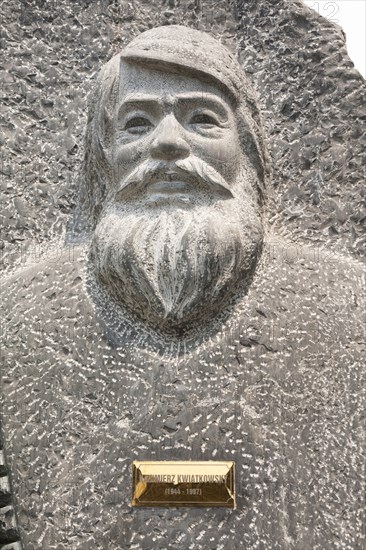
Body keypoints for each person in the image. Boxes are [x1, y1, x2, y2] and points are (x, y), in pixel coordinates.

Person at [1, 26, 363, 550]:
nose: (169, 143)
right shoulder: (18, 318)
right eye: (137, 123)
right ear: (104, 155)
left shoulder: (349, 306)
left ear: (249, 146)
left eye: (202, 119)